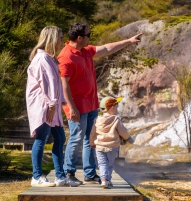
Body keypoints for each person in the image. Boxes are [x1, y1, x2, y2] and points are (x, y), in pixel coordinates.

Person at [57, 23, 142, 184]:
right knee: (76, 138)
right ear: (80, 38)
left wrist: (129, 41)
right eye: (88, 35)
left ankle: (89, 173)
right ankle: (68, 173)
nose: (90, 37)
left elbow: (108, 48)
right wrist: (72, 108)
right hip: (77, 107)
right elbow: (64, 85)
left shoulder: (86, 51)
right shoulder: (66, 56)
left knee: (92, 139)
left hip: (91, 105)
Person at [26, 26, 79, 187]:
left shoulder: (49, 58)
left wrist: (60, 102)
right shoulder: (42, 59)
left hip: (52, 106)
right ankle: (36, 176)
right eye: (61, 37)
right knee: (41, 138)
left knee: (60, 138)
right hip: (43, 106)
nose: (63, 41)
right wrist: (51, 105)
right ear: (52, 39)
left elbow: (55, 84)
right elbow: (46, 84)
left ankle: (60, 177)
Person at [90, 97, 134, 188]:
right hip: (112, 147)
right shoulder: (116, 119)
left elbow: (92, 132)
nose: (117, 109)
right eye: (117, 107)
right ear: (112, 108)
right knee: (109, 165)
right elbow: (123, 131)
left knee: (102, 164)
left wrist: (92, 142)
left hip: (99, 147)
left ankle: (103, 179)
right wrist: (128, 138)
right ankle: (108, 180)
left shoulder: (97, 119)